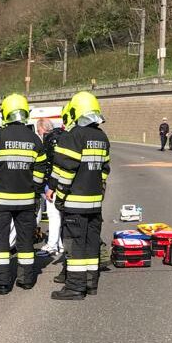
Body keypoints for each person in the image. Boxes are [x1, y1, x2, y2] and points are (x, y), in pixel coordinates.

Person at [0, 94, 46, 295]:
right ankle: (26, 280)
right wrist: (34, 191)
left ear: (6, 113)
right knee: (25, 240)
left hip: (1, 200)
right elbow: (40, 169)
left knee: (0, 241)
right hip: (26, 201)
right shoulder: (34, 139)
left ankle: (1, 283)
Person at [47, 91, 110, 301]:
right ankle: (91, 282)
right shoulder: (101, 136)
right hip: (94, 203)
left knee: (74, 244)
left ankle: (74, 287)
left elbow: (66, 170)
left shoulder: (73, 136)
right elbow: (104, 170)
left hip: (75, 202)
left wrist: (60, 196)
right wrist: (98, 192)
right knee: (92, 243)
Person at [36, 118, 64, 257]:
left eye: (38, 130)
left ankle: (52, 245)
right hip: (64, 183)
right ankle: (60, 244)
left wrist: (49, 186)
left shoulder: (50, 140)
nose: (38, 133)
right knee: (61, 215)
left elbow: (52, 164)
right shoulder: (62, 136)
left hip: (53, 183)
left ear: (43, 129)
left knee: (54, 215)